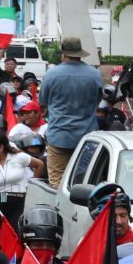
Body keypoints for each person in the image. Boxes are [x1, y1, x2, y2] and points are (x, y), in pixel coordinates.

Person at [38, 36, 102, 186]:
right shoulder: (94, 74)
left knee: (57, 181)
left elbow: (43, 103)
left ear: (63, 54)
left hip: (59, 136)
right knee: (84, 181)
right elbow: (97, 102)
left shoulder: (52, 74)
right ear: (80, 53)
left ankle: (60, 209)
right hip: (86, 137)